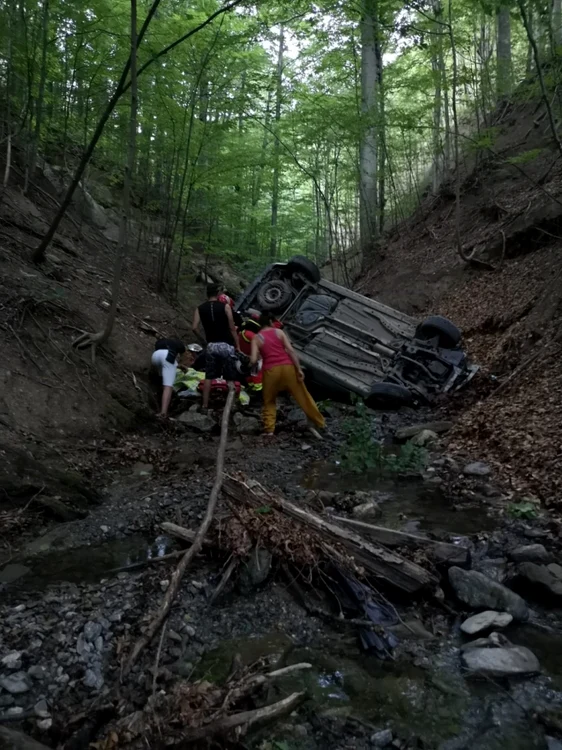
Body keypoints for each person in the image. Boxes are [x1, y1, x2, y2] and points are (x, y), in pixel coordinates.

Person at [250, 312, 325, 438]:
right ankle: (321, 423)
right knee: (303, 396)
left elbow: (253, 360)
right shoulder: (279, 332)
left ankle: (269, 430)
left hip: (271, 371)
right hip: (288, 367)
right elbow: (290, 350)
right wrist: (299, 369)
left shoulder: (257, 338)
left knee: (269, 400)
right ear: (270, 322)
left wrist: (255, 359)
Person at [192, 284, 240, 409]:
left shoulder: (199, 308)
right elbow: (232, 328)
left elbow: (194, 328)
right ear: (218, 293)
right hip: (226, 345)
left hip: (211, 345)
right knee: (230, 377)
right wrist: (238, 345)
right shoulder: (226, 307)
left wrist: (204, 341)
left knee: (209, 376)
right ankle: (231, 406)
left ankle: (205, 405)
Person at [151, 337, 186, 417]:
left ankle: (159, 397)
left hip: (155, 356)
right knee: (168, 386)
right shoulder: (178, 344)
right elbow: (171, 359)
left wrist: (179, 366)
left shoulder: (163, 341)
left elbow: (168, 362)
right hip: (167, 356)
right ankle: (163, 413)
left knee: (162, 378)